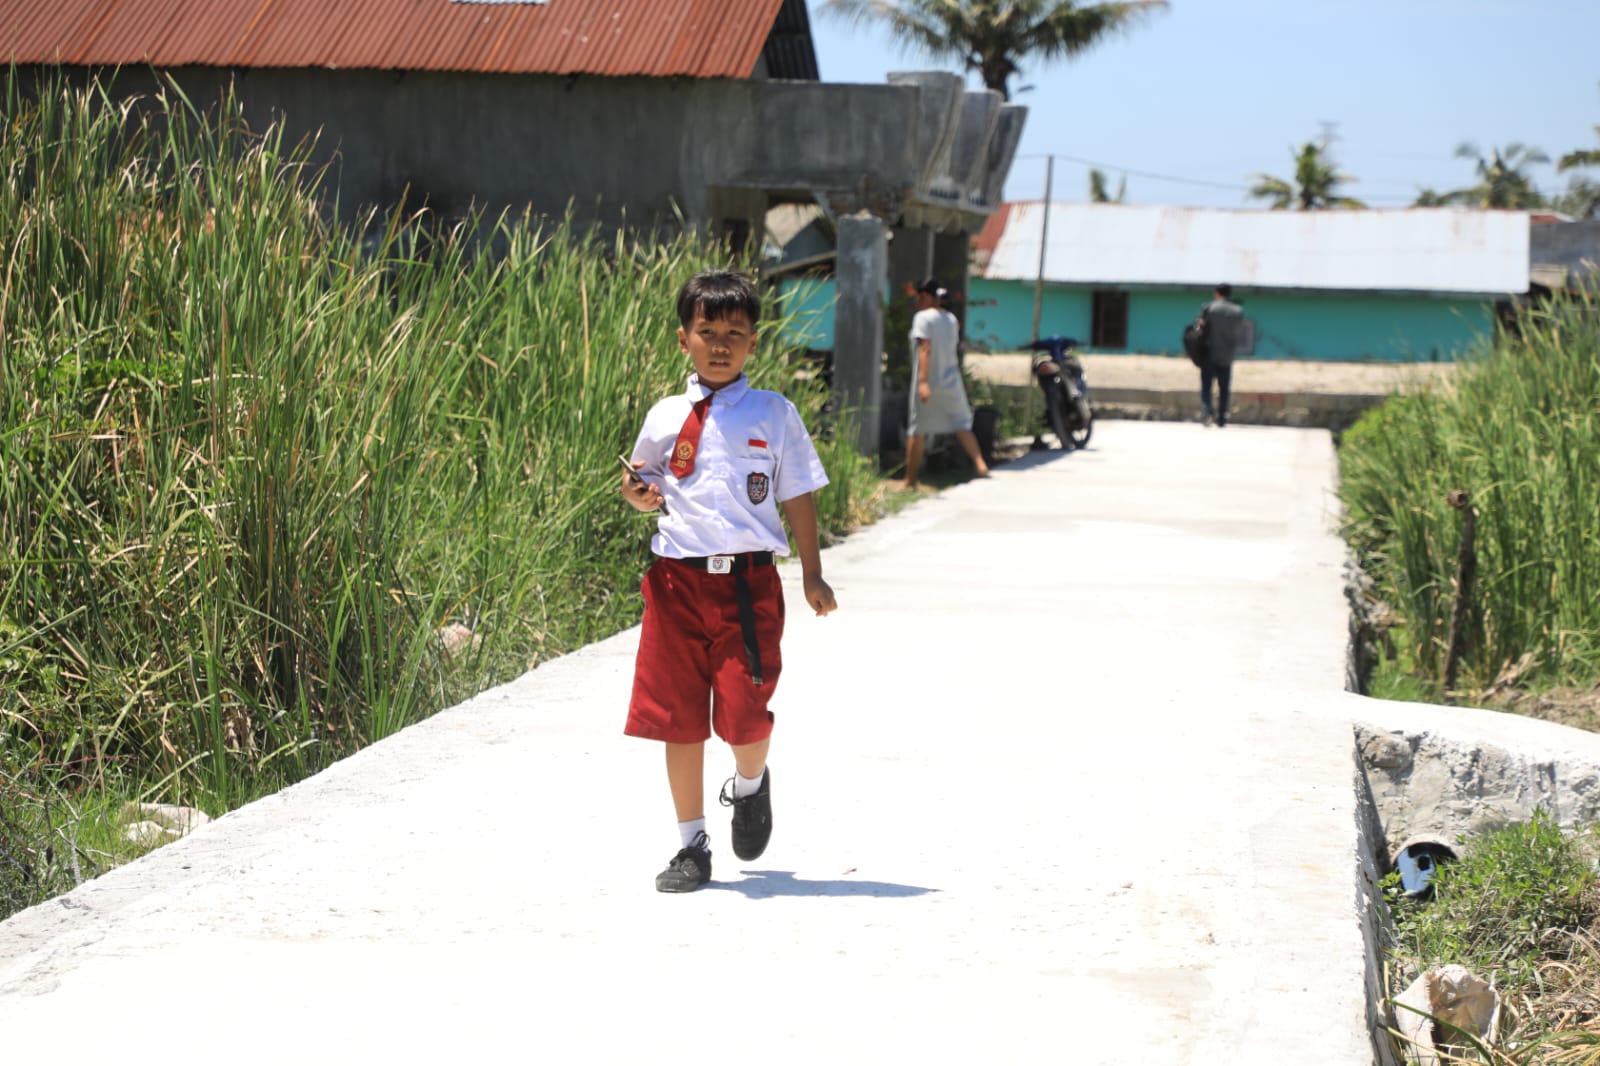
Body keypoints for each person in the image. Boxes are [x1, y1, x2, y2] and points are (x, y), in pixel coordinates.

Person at [621, 269, 838, 893]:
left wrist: (813, 574)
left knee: (745, 717)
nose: (720, 344)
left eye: (734, 333)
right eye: (706, 331)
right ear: (683, 337)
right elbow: (641, 485)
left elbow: (796, 493)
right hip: (675, 585)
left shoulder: (773, 412)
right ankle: (691, 845)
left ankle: (750, 784)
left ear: (753, 342)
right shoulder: (666, 415)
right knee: (678, 719)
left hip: (746, 588)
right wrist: (638, 493)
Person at [902, 278, 991, 488]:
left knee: (917, 429)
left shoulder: (922, 318)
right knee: (961, 424)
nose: (918, 301)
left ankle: (910, 480)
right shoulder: (950, 318)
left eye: (921, 297)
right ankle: (980, 464)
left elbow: (925, 348)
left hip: (928, 382)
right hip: (951, 380)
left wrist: (923, 381)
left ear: (930, 297)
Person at [1197, 283, 1244, 427]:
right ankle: (1222, 417)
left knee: (1206, 386)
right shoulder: (1238, 311)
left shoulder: (1209, 308)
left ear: (1217, 293)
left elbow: (1200, 327)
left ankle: (1207, 415)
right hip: (1227, 354)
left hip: (1210, 352)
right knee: (1224, 388)